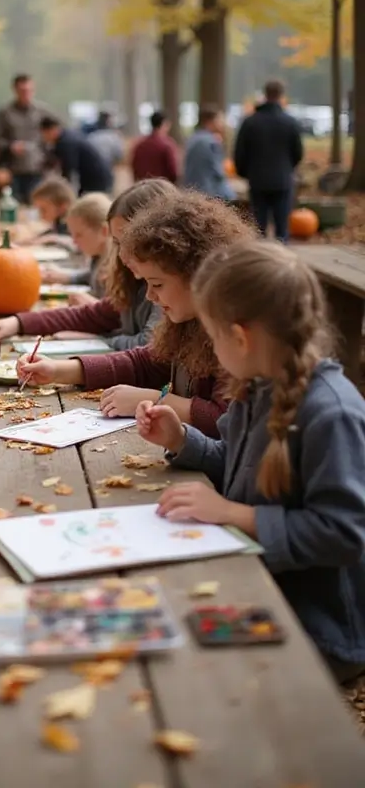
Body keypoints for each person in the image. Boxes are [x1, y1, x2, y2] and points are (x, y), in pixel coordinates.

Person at [136, 240, 365, 685]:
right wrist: (183, 440)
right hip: (257, 583)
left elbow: (343, 533)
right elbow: (243, 468)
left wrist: (231, 514)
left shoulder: (332, 413)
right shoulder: (255, 387)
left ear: (239, 336)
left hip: (317, 629)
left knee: (174, 667)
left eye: (212, 333)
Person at [17, 191, 256, 437]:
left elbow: (223, 419)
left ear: (197, 276)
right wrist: (58, 370)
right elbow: (145, 362)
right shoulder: (187, 320)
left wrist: (156, 399)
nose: (150, 296)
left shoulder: (234, 335)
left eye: (158, 284)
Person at [0, 180, 176, 352]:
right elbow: (90, 316)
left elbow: (148, 346)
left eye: (130, 242)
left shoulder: (167, 289)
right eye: (117, 242)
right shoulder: (131, 281)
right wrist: (18, 322)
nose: (122, 255)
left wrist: (98, 340)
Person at [234, 79, 303, 242]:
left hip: (257, 180)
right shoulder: (290, 122)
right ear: (281, 95)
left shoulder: (250, 122)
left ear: (265, 94)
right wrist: (287, 168)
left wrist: (245, 172)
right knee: (282, 228)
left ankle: (260, 261)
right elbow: (298, 153)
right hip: (282, 180)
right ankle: (283, 261)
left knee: (259, 228)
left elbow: (240, 153)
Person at [40, 193, 112, 299]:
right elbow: (90, 276)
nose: (74, 242)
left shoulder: (115, 271)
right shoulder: (98, 257)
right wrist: (67, 278)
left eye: (79, 235)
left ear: (104, 231)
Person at [0, 74, 50, 204]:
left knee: (37, 204)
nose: (26, 94)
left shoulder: (43, 112)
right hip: (13, 169)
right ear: (15, 91)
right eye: (22, 91)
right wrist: (11, 146)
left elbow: (53, 135)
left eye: (29, 90)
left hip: (37, 168)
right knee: (12, 204)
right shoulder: (5, 113)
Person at [39, 116, 114, 195]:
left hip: (96, 179)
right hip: (93, 177)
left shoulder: (67, 142)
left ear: (51, 130)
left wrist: (63, 189)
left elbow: (69, 168)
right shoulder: (65, 137)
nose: (44, 138)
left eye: (44, 134)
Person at [182, 107, 236, 201]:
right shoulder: (211, 142)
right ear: (210, 121)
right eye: (219, 120)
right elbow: (218, 173)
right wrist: (231, 196)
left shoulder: (192, 139)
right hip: (209, 194)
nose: (222, 124)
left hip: (192, 192)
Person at [130, 111, 179, 184]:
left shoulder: (140, 145)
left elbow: (134, 167)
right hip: (162, 188)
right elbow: (173, 171)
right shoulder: (167, 145)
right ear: (164, 124)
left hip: (143, 187)